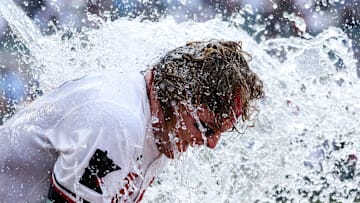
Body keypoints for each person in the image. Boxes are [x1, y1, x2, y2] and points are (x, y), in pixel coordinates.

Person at [0, 40, 264, 202]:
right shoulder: (119, 120)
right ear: (179, 97)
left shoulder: (162, 128)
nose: (211, 144)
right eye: (207, 128)